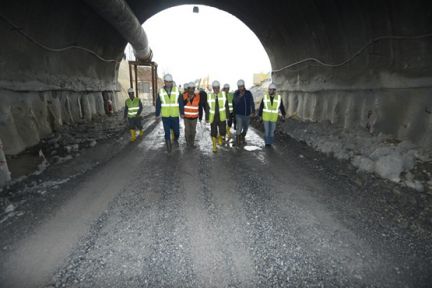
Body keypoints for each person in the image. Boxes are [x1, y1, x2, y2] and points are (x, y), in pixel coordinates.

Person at [155, 74, 184, 152]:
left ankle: (175, 136)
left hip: (174, 115)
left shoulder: (177, 90)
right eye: (167, 82)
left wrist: (182, 112)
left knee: (177, 131)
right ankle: (169, 148)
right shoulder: (161, 91)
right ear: (164, 82)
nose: (168, 83)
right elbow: (158, 103)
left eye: (170, 82)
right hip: (165, 116)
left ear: (172, 82)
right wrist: (157, 114)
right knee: (166, 131)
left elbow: (180, 102)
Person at [206, 81, 229, 153]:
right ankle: (214, 145)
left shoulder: (223, 95)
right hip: (213, 117)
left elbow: (226, 106)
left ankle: (219, 137)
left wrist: (227, 115)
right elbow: (207, 108)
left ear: (219, 88)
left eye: (217, 87)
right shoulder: (209, 96)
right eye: (214, 88)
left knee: (223, 131)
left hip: (221, 116)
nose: (216, 89)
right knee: (213, 131)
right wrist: (207, 117)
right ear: (213, 88)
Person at [233, 79, 255, 146]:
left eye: (241, 86)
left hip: (247, 114)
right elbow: (235, 102)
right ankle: (238, 141)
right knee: (239, 127)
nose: (240, 88)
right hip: (239, 114)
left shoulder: (248, 93)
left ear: (244, 86)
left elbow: (252, 102)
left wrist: (253, 111)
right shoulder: (236, 93)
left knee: (245, 128)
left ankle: (242, 136)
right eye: (239, 87)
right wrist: (239, 96)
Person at [183, 82, 204, 148]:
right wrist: (187, 100)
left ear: (194, 89)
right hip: (186, 118)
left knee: (193, 132)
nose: (191, 90)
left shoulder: (198, 96)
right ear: (188, 89)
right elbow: (181, 105)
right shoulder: (184, 95)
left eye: (193, 89)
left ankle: (192, 144)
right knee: (187, 132)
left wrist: (200, 116)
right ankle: (188, 143)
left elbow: (200, 107)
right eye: (190, 89)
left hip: (194, 118)